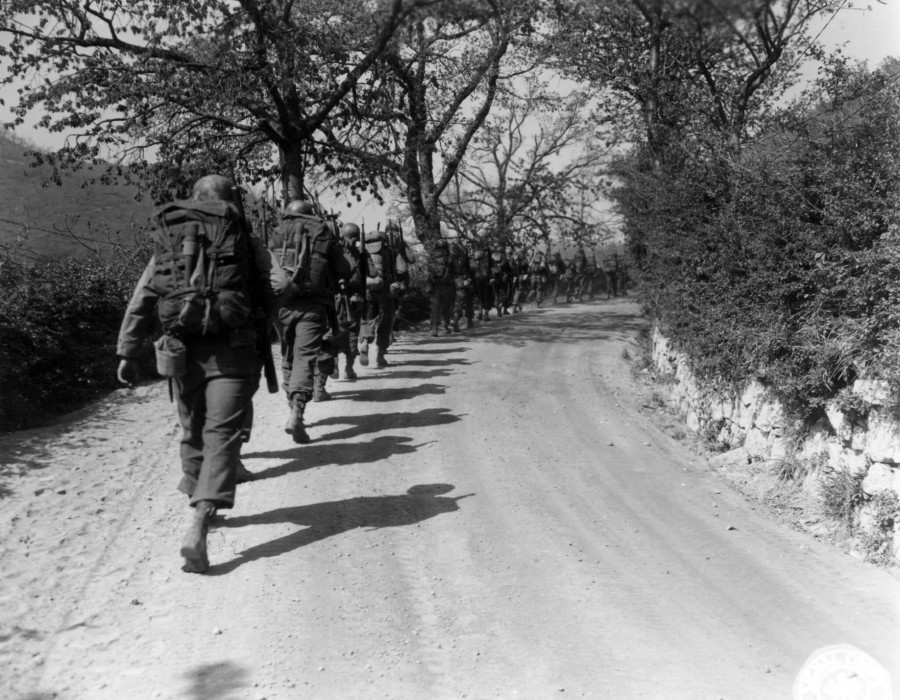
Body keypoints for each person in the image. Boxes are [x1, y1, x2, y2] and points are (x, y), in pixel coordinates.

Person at [116, 174, 290, 574]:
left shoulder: (171, 237)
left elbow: (143, 297)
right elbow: (281, 283)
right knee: (222, 434)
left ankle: (198, 496)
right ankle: (200, 518)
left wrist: (127, 350)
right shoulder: (245, 239)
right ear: (232, 201)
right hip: (233, 349)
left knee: (192, 429)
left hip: (179, 351)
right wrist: (262, 309)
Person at [276, 200, 351, 442]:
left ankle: (291, 406)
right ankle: (297, 411)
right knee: (305, 357)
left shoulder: (278, 230)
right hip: (314, 306)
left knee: (287, 355)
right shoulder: (323, 232)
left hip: (282, 306)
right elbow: (344, 268)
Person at [359, 224, 399, 368]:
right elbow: (401, 269)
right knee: (385, 320)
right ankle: (380, 355)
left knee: (367, 318)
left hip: (367, 289)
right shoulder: (389, 251)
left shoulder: (363, 250)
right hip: (385, 290)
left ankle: (364, 341)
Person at [427, 238, 456, 336]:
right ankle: (445, 327)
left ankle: (434, 328)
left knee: (435, 306)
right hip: (446, 284)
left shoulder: (431, 256)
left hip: (434, 284)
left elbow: (428, 270)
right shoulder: (448, 256)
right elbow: (455, 269)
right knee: (446, 306)